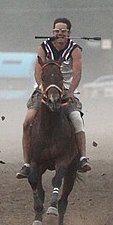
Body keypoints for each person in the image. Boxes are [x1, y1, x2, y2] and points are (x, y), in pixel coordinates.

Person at [14, 17, 91, 178]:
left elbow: (77, 73)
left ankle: (82, 157)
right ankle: (27, 163)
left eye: (63, 31)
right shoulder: (44, 47)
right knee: (27, 121)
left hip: (67, 90)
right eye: (57, 31)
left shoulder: (75, 50)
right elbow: (38, 71)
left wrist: (70, 92)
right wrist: (43, 89)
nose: (60, 34)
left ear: (69, 33)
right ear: (53, 32)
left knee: (76, 119)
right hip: (44, 90)